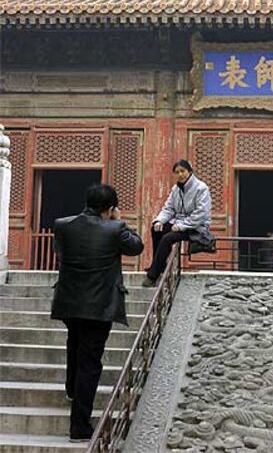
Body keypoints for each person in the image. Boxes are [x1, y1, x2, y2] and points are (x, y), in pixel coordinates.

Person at [51, 184, 144, 443]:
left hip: (69, 300)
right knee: (90, 363)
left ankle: (71, 389)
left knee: (74, 344)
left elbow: (60, 252)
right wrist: (118, 220)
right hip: (99, 305)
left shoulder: (63, 225)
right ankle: (79, 426)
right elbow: (137, 247)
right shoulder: (116, 229)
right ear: (110, 208)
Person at [143, 159, 211, 286]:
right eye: (177, 172)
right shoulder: (176, 189)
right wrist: (159, 220)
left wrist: (181, 226)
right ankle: (159, 265)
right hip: (179, 223)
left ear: (190, 171)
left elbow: (201, 213)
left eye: (183, 171)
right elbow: (169, 208)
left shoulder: (201, 188)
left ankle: (152, 276)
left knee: (167, 238)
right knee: (156, 229)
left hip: (196, 227)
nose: (180, 174)